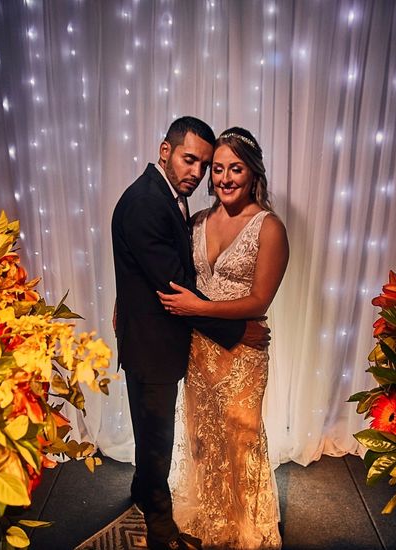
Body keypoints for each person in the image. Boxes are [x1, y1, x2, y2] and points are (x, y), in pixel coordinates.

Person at [111, 117, 271, 550]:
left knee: (154, 428)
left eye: (204, 164)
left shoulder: (169, 197)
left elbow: (147, 270)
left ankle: (144, 491)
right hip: (153, 342)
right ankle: (161, 526)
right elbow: (174, 284)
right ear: (165, 151)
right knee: (157, 435)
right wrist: (238, 329)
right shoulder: (147, 202)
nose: (197, 173)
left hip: (165, 338)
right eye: (190, 160)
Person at [159, 127, 289, 549]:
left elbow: (259, 300)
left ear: (253, 174)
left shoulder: (269, 228)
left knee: (242, 438)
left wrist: (200, 310)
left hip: (243, 353)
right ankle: (213, 522)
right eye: (218, 170)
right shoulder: (196, 222)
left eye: (236, 169)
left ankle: (250, 531)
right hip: (199, 350)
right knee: (202, 437)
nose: (225, 178)